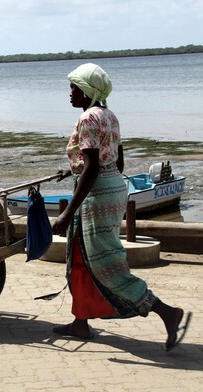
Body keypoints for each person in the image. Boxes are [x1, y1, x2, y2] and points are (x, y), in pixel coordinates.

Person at [50, 63, 191, 352]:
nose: (70, 93)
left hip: (97, 194)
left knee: (105, 264)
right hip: (114, 188)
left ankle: (166, 311)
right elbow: (116, 162)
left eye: (74, 88)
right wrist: (74, 170)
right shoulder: (110, 116)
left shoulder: (89, 118)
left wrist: (67, 212)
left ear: (87, 91)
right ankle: (80, 322)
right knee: (80, 255)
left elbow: (92, 170)